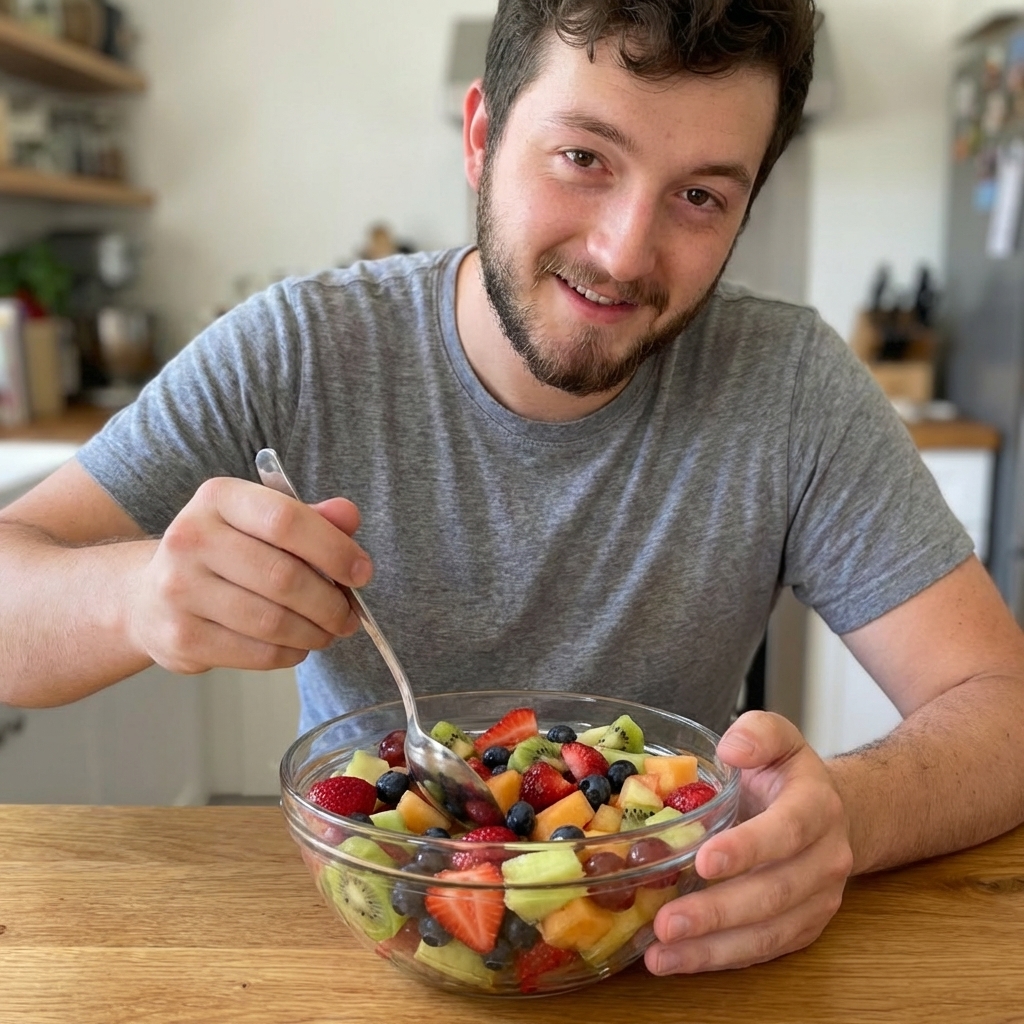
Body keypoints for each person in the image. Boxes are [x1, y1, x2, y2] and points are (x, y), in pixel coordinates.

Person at [2, 0, 1023, 978]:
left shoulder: (791, 385)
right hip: (379, 950)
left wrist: (846, 811)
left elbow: (1002, 709)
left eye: (700, 196)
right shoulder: (297, 350)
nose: (623, 252)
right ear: (482, 136)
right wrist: (138, 597)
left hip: (664, 956)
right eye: (584, 158)